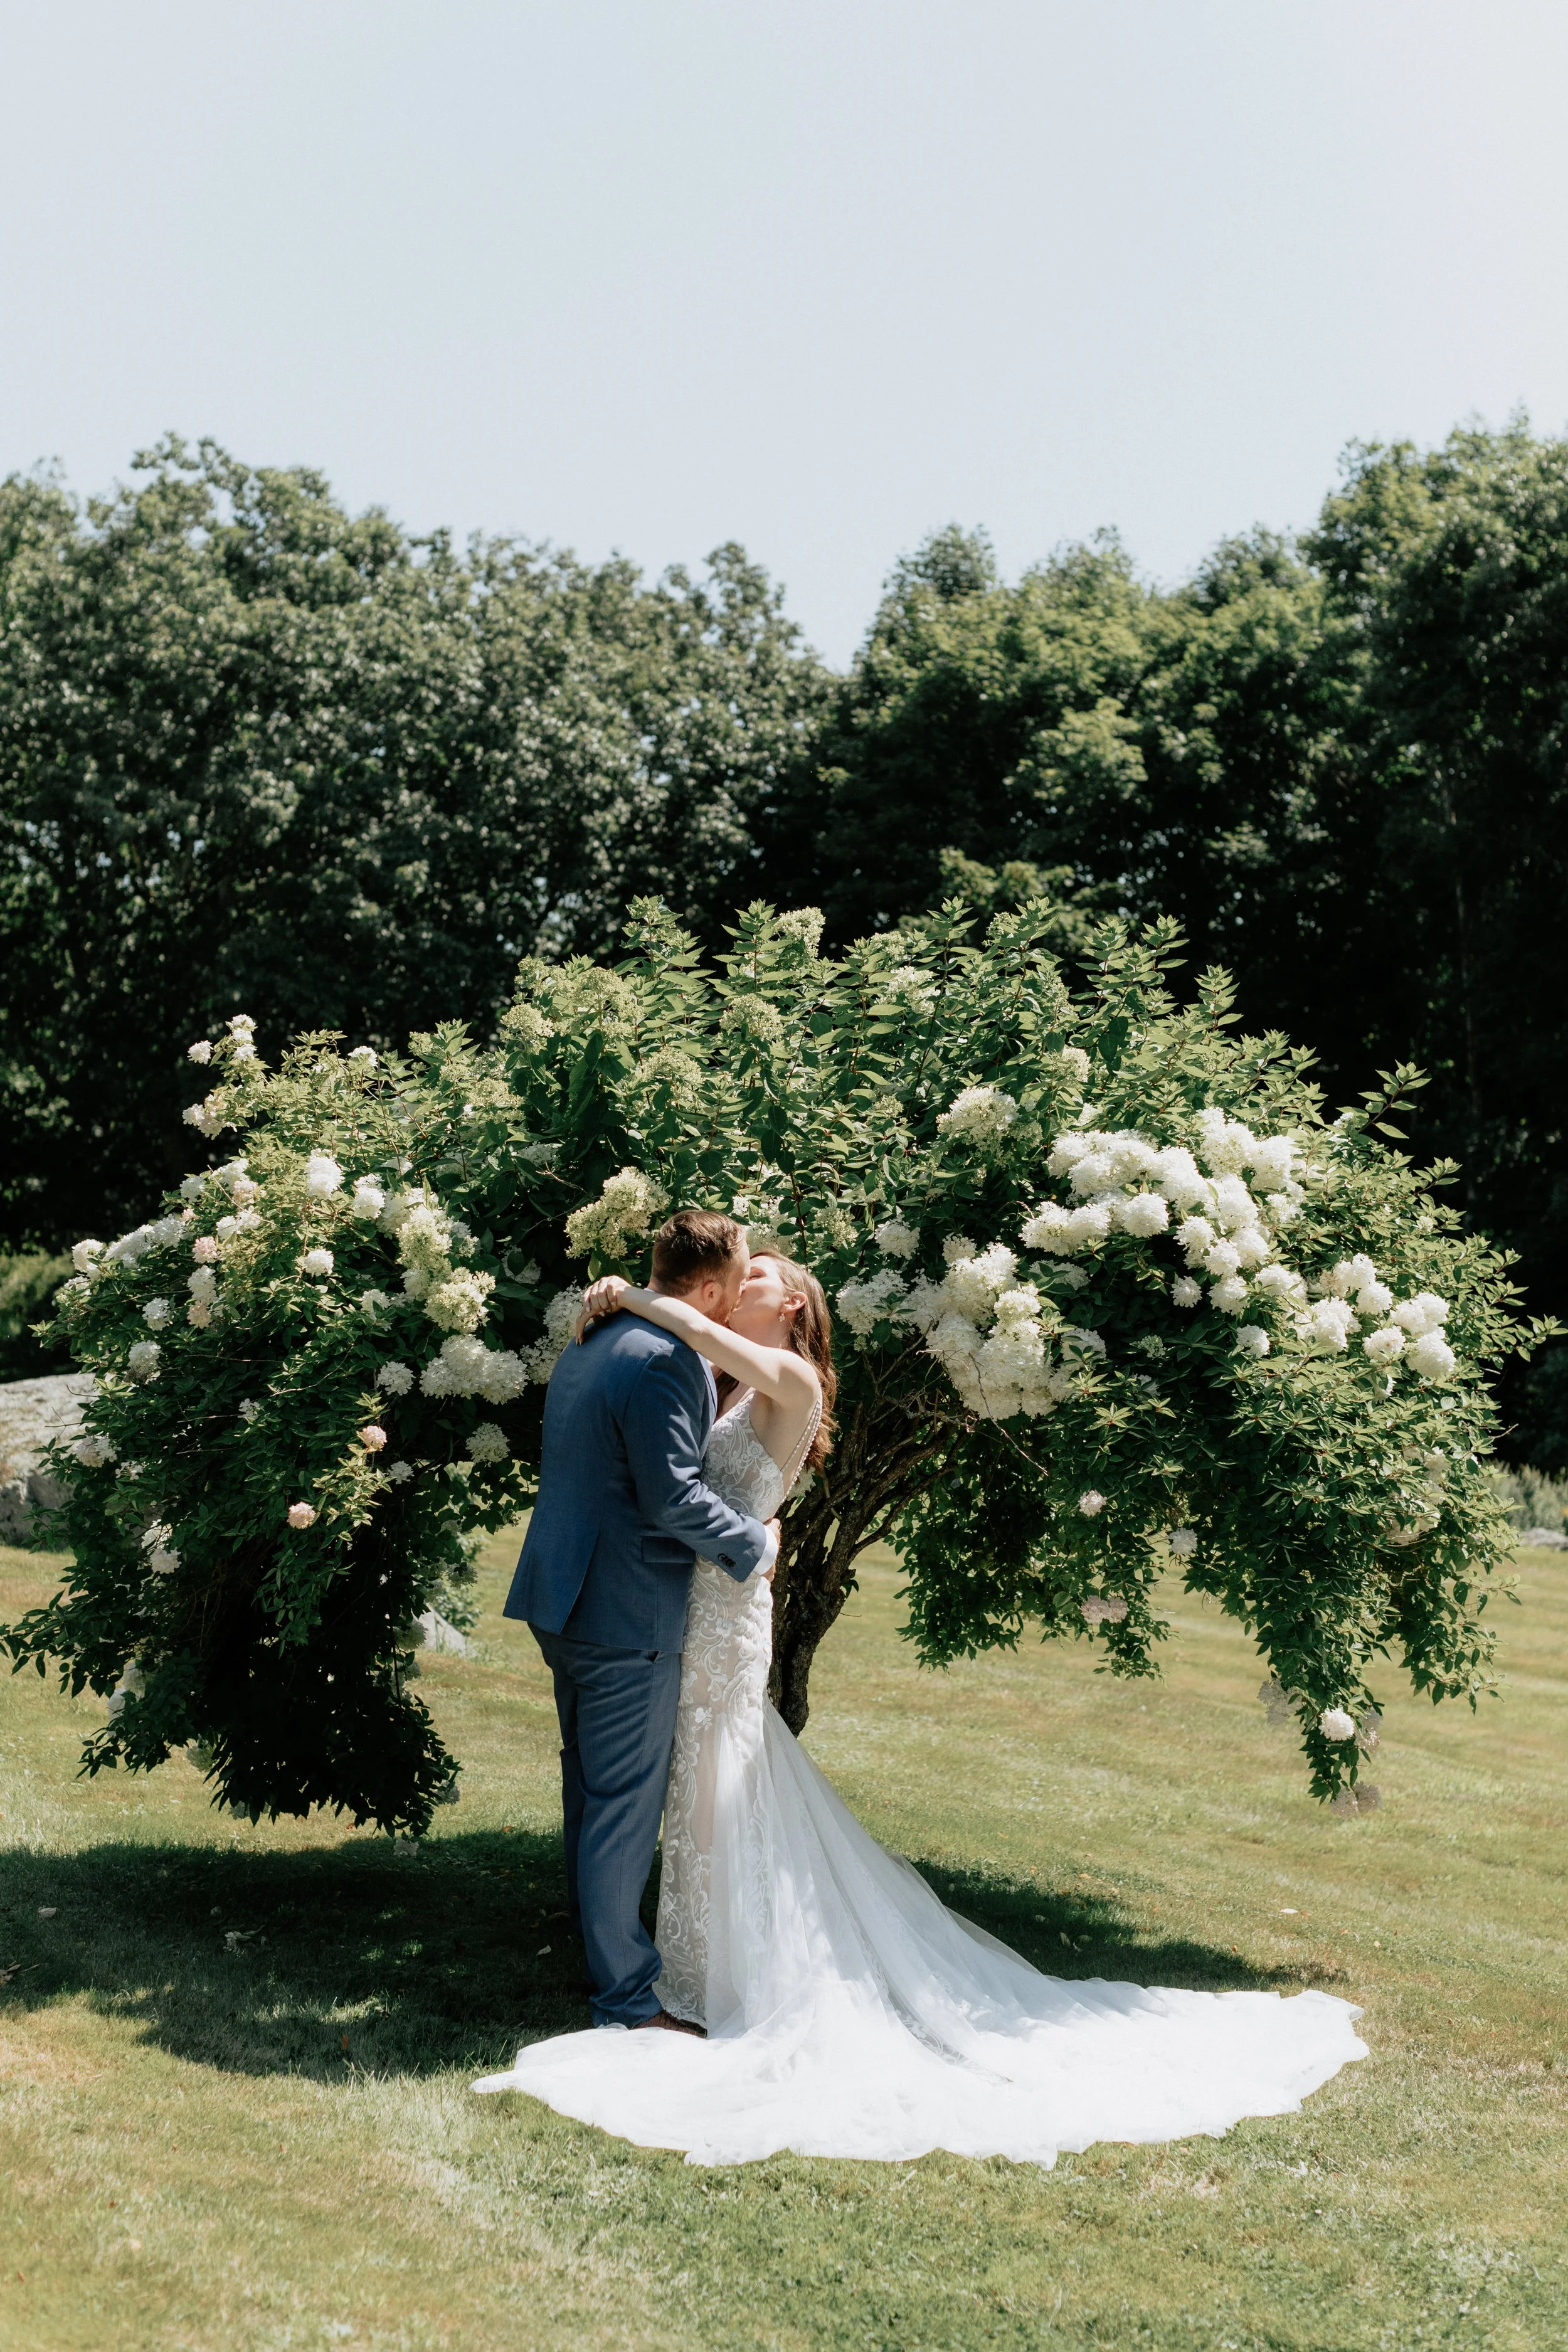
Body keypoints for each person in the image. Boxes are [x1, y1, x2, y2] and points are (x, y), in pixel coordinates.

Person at [479, 1236, 1367, 2166]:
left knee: (713, 1786)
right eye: (739, 1271)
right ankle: (676, 1973)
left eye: (761, 1278)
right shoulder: (714, 1377)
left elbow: (692, 1332)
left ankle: (713, 1982)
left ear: (791, 1309)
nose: (745, 1282)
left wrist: (628, 1293)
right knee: (682, 1794)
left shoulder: (782, 1373)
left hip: (722, 1608)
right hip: (680, 1607)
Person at [501, 1209, 779, 2033]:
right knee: (621, 1805)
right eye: (733, 1286)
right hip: (624, 1609)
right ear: (707, 1286)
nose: (732, 1304)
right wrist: (754, 1545)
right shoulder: (671, 1360)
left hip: (564, 1597)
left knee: (590, 1792)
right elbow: (672, 1496)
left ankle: (596, 1951)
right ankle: (624, 1995)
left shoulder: (593, 1337)